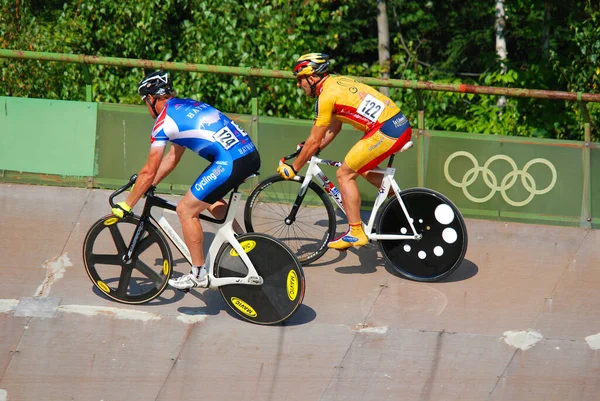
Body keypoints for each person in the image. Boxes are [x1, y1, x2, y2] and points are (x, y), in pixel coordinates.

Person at [111, 70, 260, 290]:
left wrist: (128, 204)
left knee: (186, 210)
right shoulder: (186, 105)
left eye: (145, 101)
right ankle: (248, 246)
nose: (146, 106)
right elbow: (173, 156)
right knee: (210, 200)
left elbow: (148, 170)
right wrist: (148, 185)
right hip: (249, 154)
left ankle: (198, 274)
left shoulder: (163, 122)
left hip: (229, 161)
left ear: (152, 98)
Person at [277, 53, 412, 251]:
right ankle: (400, 204)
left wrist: (294, 168)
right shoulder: (337, 82)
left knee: (344, 174)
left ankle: (356, 232)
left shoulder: (326, 97)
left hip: (386, 131)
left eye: (300, 80)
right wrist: (311, 148)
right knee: (361, 168)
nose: (299, 85)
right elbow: (333, 128)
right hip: (396, 124)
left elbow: (315, 139)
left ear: (312, 78)